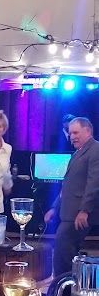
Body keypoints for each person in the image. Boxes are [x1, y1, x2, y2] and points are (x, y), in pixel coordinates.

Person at [44, 117, 99, 276]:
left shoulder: (95, 150)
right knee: (65, 255)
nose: (72, 136)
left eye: (76, 132)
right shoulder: (77, 153)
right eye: (70, 133)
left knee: (62, 256)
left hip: (78, 215)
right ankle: (67, 293)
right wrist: (54, 207)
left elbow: (94, 182)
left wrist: (84, 210)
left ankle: (64, 293)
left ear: (88, 131)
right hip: (68, 213)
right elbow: (67, 184)